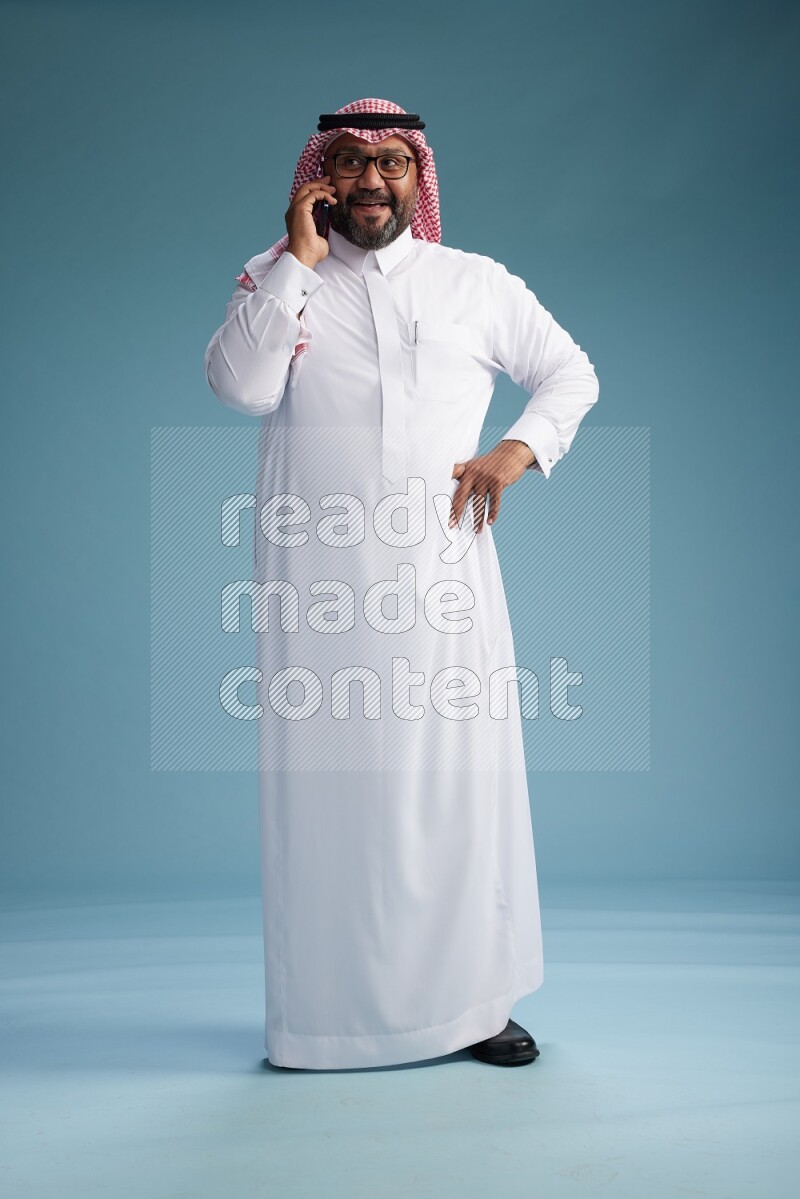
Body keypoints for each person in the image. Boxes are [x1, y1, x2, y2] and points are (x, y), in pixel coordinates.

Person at [204, 98, 599, 1070]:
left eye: (390, 162)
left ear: (417, 179)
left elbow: (568, 374)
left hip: (442, 588)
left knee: (456, 799)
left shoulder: (471, 282)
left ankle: (470, 1007)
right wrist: (294, 262)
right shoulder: (273, 278)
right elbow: (241, 386)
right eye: (347, 161)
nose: (370, 180)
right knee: (329, 806)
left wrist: (516, 448)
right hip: (318, 595)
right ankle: (319, 1025)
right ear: (317, 177)